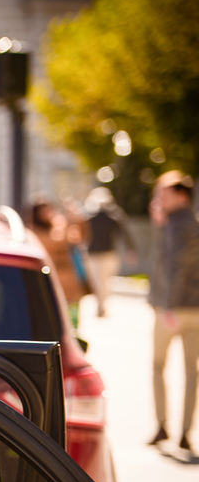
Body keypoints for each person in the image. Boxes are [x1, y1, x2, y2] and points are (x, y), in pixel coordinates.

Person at [147, 170, 199, 451]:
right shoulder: (190, 223)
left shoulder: (176, 226)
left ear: (182, 195)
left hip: (173, 309)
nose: (159, 198)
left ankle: (163, 425)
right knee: (192, 373)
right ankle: (185, 432)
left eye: (164, 193)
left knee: (158, 366)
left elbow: (174, 268)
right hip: (194, 309)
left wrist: (168, 306)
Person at [28, 196, 89, 330]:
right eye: (43, 211)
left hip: (68, 278)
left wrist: (74, 217)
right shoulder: (33, 232)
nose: (47, 214)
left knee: (72, 313)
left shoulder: (59, 225)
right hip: (48, 277)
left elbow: (79, 236)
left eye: (48, 210)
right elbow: (55, 242)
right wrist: (64, 224)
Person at [83, 186, 136, 317]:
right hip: (101, 255)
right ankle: (101, 305)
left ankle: (101, 305)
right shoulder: (106, 217)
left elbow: (124, 234)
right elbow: (126, 234)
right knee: (103, 282)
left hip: (103, 255)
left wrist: (130, 249)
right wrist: (131, 250)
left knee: (100, 282)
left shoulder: (100, 218)